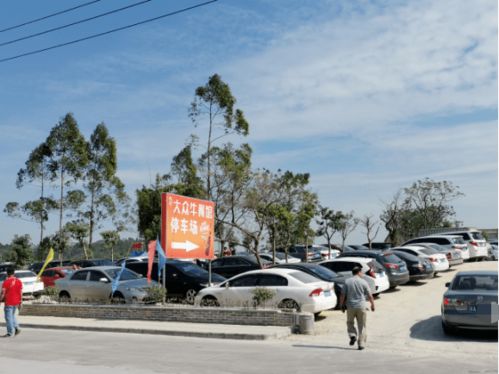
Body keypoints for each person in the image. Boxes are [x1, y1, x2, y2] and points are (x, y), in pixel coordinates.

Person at [339, 266, 375, 350]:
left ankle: (352, 335)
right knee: (362, 325)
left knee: (350, 322)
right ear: (358, 272)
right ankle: (361, 344)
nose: (362, 274)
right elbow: (370, 295)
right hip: (361, 306)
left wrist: (341, 305)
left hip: (350, 306)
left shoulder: (347, 282)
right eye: (361, 272)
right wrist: (372, 304)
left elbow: (342, 295)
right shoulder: (364, 282)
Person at [0, 267, 23, 337]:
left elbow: (3, 293)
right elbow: (20, 292)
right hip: (16, 302)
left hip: (9, 302)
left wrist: (0, 300)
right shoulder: (19, 281)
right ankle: (17, 328)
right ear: (14, 273)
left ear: (7, 273)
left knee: (8, 317)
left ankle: (10, 332)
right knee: (12, 316)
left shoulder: (6, 282)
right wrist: (20, 301)